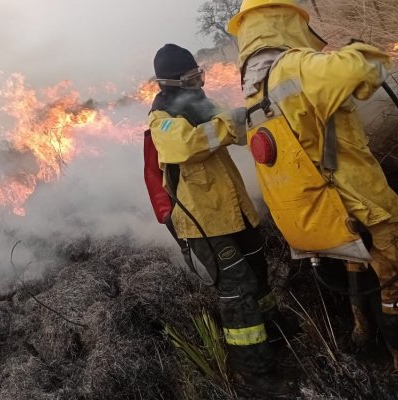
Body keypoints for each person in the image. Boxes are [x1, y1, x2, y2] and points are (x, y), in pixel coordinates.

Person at [227, 0, 398, 369]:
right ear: (286, 21)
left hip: (319, 217)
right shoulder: (294, 66)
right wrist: (358, 48)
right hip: (362, 202)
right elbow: (364, 69)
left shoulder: (254, 92)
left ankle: (361, 332)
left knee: (358, 261)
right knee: (393, 273)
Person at [148, 43, 292, 395]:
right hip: (204, 224)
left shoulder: (202, 104)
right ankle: (254, 374)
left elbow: (238, 131)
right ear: (174, 82)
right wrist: (230, 122)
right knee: (238, 292)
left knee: (259, 278)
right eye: (193, 76)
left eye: (200, 74)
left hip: (235, 212)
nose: (200, 80)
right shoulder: (161, 117)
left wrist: (266, 109)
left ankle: (272, 337)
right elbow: (184, 147)